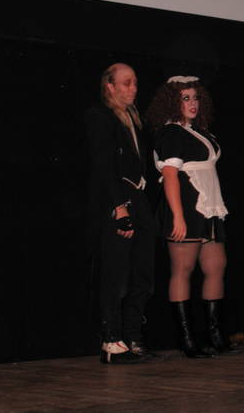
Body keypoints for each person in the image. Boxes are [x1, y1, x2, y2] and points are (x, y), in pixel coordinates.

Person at [146, 75, 239, 358]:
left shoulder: (200, 131)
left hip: (209, 205)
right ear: (172, 102)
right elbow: (169, 175)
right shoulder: (170, 133)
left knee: (216, 265)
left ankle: (215, 336)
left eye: (195, 97)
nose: (192, 103)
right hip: (186, 207)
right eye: (185, 98)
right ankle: (186, 340)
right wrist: (177, 216)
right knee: (183, 269)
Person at [85, 63, 157, 364]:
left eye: (135, 82)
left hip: (138, 199)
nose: (133, 88)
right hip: (118, 199)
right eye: (126, 83)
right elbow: (103, 165)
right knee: (116, 274)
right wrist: (120, 207)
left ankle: (132, 337)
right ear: (110, 86)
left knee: (143, 272)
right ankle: (111, 341)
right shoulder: (101, 116)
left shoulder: (134, 119)